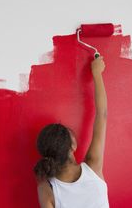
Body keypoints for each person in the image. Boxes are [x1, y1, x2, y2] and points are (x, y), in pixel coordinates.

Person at [34, 56, 108, 208]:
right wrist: (97, 73)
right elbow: (102, 114)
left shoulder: (46, 189)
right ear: (72, 145)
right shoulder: (92, 166)